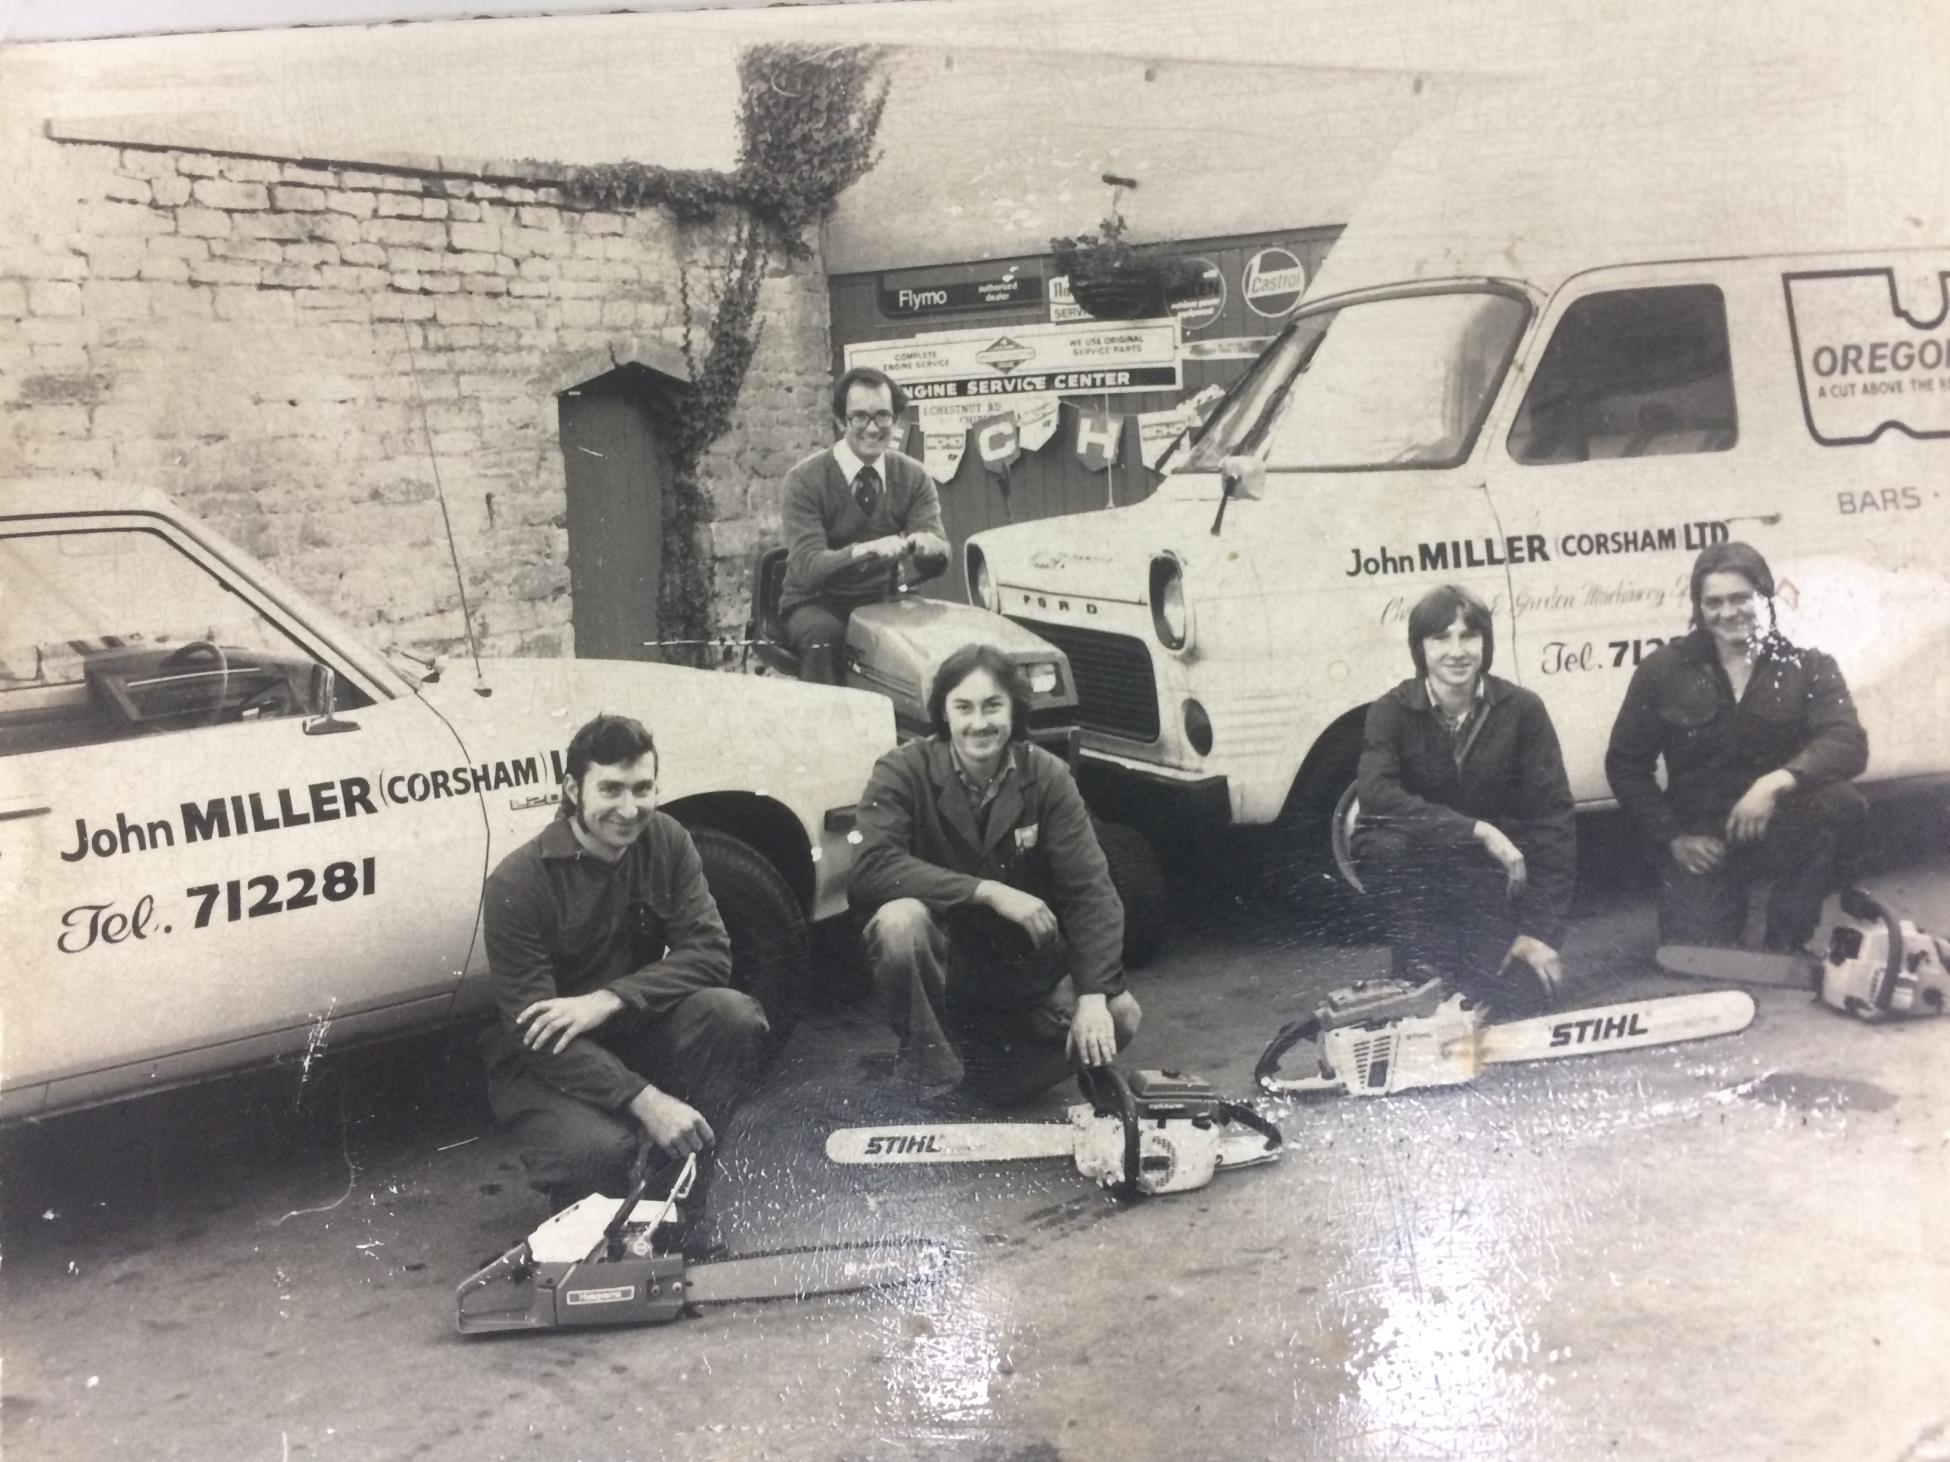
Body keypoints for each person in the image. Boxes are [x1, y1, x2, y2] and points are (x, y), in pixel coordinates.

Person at [479, 713, 769, 1240]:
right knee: (597, 1155)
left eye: (643, 788)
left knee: (733, 1015)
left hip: (630, 1030)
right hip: (551, 1061)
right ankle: (596, 1204)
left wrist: (608, 999)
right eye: (610, 789)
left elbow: (710, 953)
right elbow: (533, 1034)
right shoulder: (516, 884)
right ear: (572, 789)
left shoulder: (668, 840)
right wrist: (645, 1100)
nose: (629, 809)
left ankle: (681, 1203)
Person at [851, 643, 1142, 1105]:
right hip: (949, 978)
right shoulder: (901, 769)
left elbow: (1091, 891)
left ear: (1015, 709)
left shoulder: (1049, 775)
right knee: (899, 921)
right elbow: (870, 867)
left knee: (1121, 1014)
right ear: (943, 713)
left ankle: (985, 1090)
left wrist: (1091, 997)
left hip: (1025, 977)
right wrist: (987, 891)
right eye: (963, 707)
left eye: (993, 706)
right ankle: (933, 1077)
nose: (979, 723)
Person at [1605, 541, 1867, 952]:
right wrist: (1673, 838)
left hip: (1780, 823)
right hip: (1705, 837)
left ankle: (1788, 929)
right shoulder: (1663, 670)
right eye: (1714, 602)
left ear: (1765, 596)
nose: (1728, 613)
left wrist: (1774, 783)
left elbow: (1848, 741)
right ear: (1699, 607)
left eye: (1741, 598)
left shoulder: (1807, 663)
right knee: (1697, 949)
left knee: (1842, 803)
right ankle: (1716, 903)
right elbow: (1625, 766)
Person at [1353, 584, 1577, 1012]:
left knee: (1514, 1002)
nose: (1456, 651)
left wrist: (1541, 932)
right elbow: (1377, 795)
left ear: (1485, 643)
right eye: (1440, 637)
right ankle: (1418, 965)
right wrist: (1477, 830)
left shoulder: (1523, 710)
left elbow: (1554, 821)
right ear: (1420, 647)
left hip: (1484, 882)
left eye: (1468, 636)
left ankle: (1474, 958)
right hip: (1423, 874)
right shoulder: (1390, 711)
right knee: (1385, 845)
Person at [778, 366, 951, 684]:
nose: (873, 429)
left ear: (895, 420)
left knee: (930, 642)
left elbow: (938, 555)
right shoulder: (804, 480)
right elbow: (806, 566)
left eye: (883, 416)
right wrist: (863, 551)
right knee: (823, 636)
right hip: (817, 603)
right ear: (841, 420)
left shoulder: (913, 476)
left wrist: (930, 546)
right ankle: (826, 731)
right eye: (860, 417)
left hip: (884, 599)